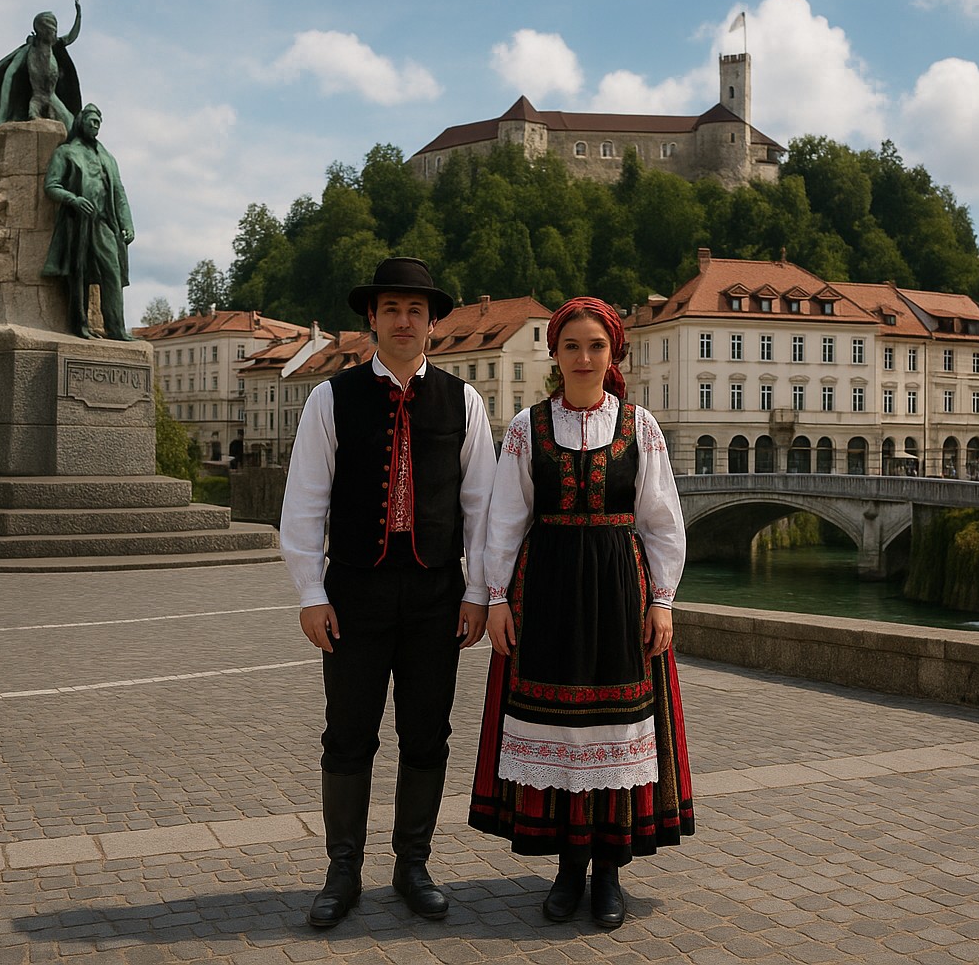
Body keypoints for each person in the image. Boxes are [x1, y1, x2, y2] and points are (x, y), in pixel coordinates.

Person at [280, 257, 495, 928]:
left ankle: (413, 865)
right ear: (371, 319)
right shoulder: (330, 398)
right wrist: (310, 592)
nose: (404, 321)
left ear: (432, 323)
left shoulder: (464, 401)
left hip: (437, 593)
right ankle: (342, 870)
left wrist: (481, 593)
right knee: (347, 735)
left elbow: (484, 507)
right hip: (354, 593)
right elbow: (305, 501)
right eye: (391, 309)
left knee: (427, 735)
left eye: (416, 310)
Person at [469, 296, 693, 929]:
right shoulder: (525, 427)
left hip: (621, 592)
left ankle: (609, 874)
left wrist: (663, 601)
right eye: (572, 346)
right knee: (561, 733)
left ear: (612, 352)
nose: (585, 357)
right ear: (556, 354)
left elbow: (661, 521)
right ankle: (568, 870)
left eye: (596, 346)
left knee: (616, 731)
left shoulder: (640, 426)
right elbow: (504, 519)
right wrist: (495, 600)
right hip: (546, 592)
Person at [42, 105, 135, 341]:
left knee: (112, 273)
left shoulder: (108, 158)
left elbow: (119, 192)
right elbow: (51, 186)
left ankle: (116, 328)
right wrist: (73, 199)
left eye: (98, 122)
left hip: (105, 222)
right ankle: (80, 326)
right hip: (78, 222)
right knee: (79, 274)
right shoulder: (66, 152)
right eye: (91, 121)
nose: (95, 125)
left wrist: (127, 223)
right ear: (81, 122)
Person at [0, 0, 82, 130]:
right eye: (51, 30)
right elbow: (10, 73)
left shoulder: (55, 46)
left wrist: (79, 15)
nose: (54, 33)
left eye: (55, 30)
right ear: (42, 30)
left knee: (71, 126)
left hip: (52, 98)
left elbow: (71, 36)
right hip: (36, 99)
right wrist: (1, 111)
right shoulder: (29, 50)